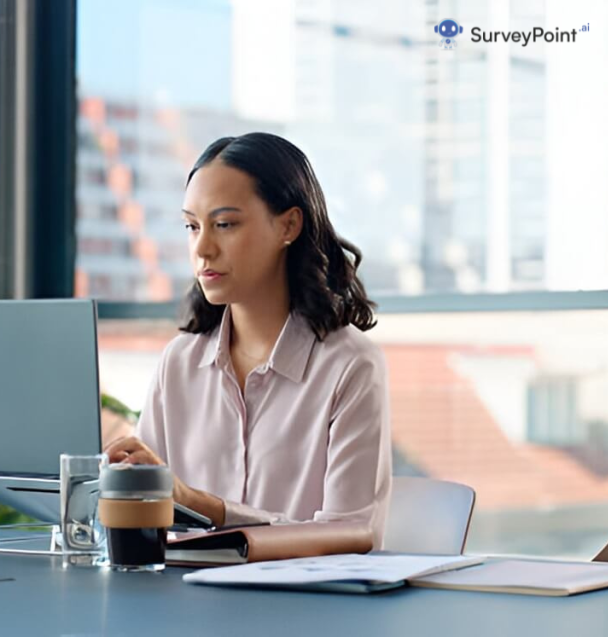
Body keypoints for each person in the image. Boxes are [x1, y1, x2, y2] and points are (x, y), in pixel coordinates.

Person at [104, 132, 392, 546]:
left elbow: (351, 534)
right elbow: (150, 513)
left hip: (306, 607)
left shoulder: (350, 365)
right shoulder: (179, 362)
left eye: (224, 224)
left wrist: (207, 507)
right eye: (191, 226)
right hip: (184, 603)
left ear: (289, 225)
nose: (202, 248)